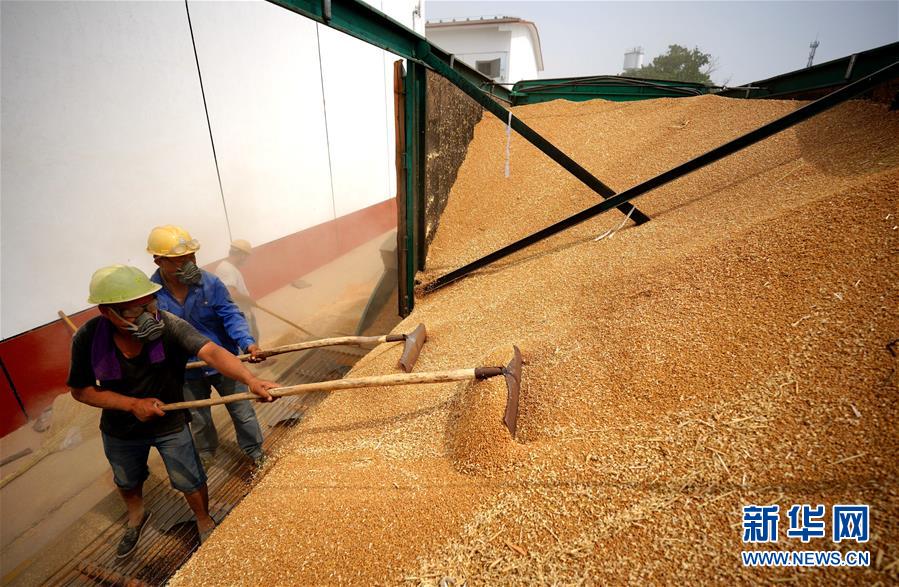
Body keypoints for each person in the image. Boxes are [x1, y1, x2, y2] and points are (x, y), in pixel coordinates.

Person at [67, 265, 278, 557]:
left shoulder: (169, 325)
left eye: (149, 304)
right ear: (107, 312)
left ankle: (204, 520)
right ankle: (137, 516)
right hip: (120, 428)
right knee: (127, 480)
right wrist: (131, 404)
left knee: (190, 478)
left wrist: (250, 380)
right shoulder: (88, 339)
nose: (147, 315)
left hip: (170, 421)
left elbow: (212, 352)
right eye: (133, 311)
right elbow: (81, 390)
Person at [146, 225, 269, 470]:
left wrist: (247, 342)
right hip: (187, 369)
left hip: (223, 361)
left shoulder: (210, 283)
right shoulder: (151, 296)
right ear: (159, 261)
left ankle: (255, 451)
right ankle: (205, 453)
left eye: (192, 257)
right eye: (180, 260)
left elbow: (230, 314)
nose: (189, 264)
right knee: (199, 417)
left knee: (242, 411)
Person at [215, 239, 259, 343]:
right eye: (246, 256)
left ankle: (262, 359)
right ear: (242, 255)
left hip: (243, 311)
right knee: (247, 341)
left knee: (254, 335)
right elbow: (231, 292)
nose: (246, 259)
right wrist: (248, 299)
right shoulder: (227, 269)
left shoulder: (228, 267)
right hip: (238, 313)